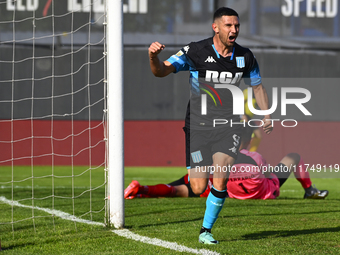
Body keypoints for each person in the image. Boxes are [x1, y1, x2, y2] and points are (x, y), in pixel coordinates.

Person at [148, 7, 273, 244]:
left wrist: (266, 115)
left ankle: (206, 230)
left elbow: (258, 86)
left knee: (221, 176)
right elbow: (162, 71)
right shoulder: (195, 51)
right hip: (198, 125)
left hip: (230, 125)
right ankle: (201, 202)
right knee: (197, 186)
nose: (234, 30)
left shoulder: (245, 56)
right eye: (228, 25)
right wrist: (153, 58)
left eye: (236, 25)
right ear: (215, 27)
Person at [124, 126, 328, 200]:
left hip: (222, 190)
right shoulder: (254, 158)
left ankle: (143, 189)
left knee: (179, 189)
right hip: (264, 191)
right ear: (248, 141)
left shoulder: (218, 157)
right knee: (293, 156)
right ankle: (309, 189)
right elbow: (265, 173)